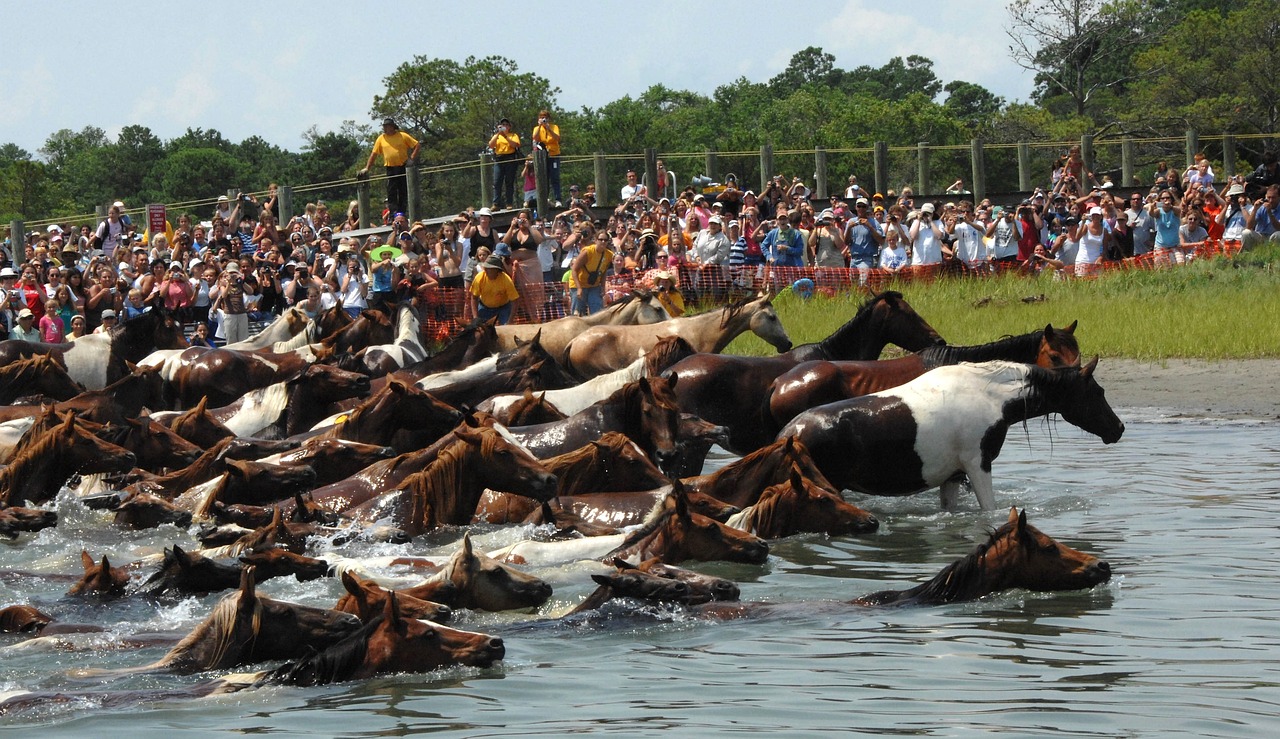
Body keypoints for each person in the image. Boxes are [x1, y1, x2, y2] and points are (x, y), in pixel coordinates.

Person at [361, 118, 420, 218]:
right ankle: (393, 214)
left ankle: (402, 213)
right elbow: (374, 154)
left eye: (387, 126)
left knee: (403, 190)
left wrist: (412, 159)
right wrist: (367, 168)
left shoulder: (402, 135)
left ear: (392, 127)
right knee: (391, 191)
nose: (385, 128)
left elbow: (417, 145)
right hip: (390, 168)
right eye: (384, 126)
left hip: (402, 166)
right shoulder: (381, 138)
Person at [571, 230, 615, 316]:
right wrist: (579, 288)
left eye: (605, 240)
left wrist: (602, 287)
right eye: (601, 239)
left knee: (597, 312)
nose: (603, 242)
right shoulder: (588, 252)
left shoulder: (609, 255)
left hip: (594, 285)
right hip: (579, 284)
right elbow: (574, 269)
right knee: (578, 313)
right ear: (595, 240)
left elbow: (603, 272)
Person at [470, 254, 520, 325]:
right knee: (481, 328)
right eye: (485, 267)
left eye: (489, 268)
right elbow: (474, 298)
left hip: (503, 308)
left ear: (497, 270)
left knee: (505, 328)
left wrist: (510, 320)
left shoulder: (506, 280)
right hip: (485, 308)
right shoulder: (479, 278)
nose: (485, 270)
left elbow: (515, 301)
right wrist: (475, 317)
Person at [210, 261, 249, 344]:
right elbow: (224, 296)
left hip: (242, 314)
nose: (232, 275)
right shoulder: (223, 284)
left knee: (243, 340)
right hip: (230, 314)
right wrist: (228, 283)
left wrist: (242, 281)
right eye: (231, 273)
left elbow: (250, 291)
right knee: (231, 340)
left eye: (234, 273)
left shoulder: (240, 283)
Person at [487, 118, 522, 210]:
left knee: (509, 182)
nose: (504, 126)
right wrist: (498, 134)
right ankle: (496, 203)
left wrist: (505, 136)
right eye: (503, 125)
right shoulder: (497, 136)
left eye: (506, 124)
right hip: (499, 160)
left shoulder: (513, 135)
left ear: (509, 127)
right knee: (497, 182)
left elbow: (515, 145)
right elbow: (491, 145)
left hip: (510, 160)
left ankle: (509, 203)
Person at [531, 109, 563, 206]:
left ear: (548, 118)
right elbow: (535, 138)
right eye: (541, 117)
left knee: (555, 177)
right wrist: (540, 126)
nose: (543, 119)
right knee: (544, 178)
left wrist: (549, 129)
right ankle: (545, 199)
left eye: (545, 117)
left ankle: (558, 199)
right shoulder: (537, 128)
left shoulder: (554, 127)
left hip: (554, 155)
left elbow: (557, 138)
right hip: (542, 157)